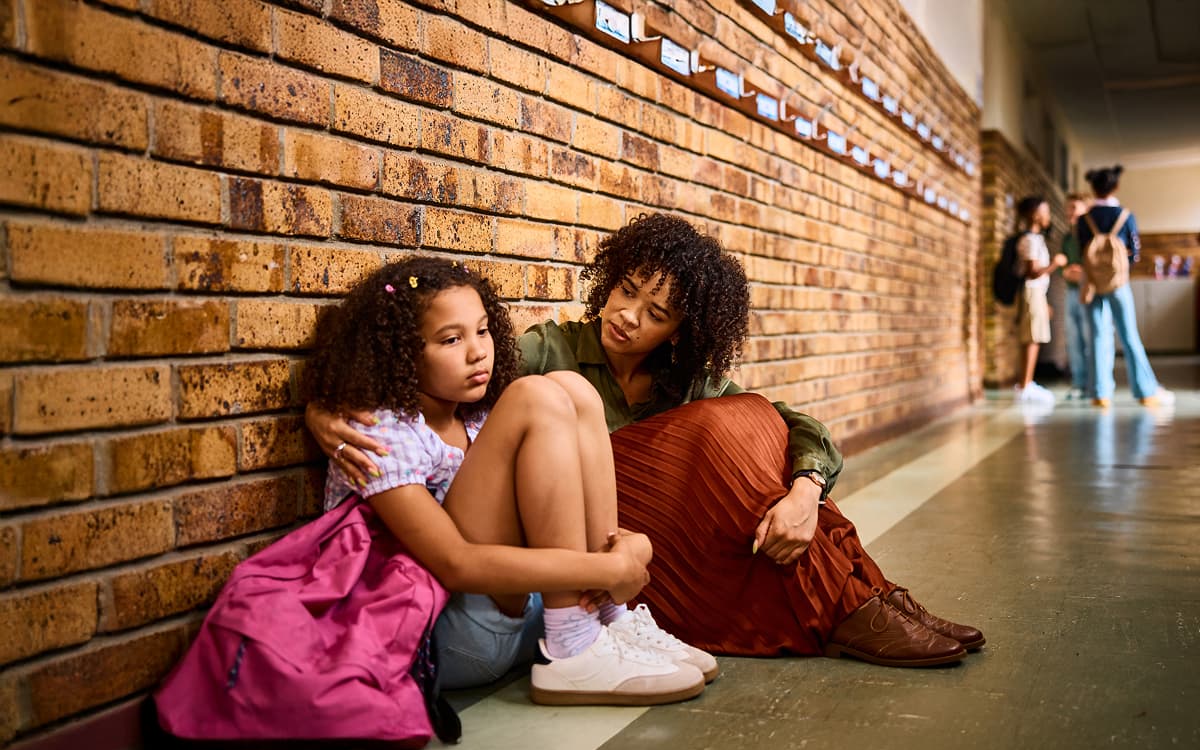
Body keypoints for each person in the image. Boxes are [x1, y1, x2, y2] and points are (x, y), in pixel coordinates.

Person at [311, 215, 983, 668]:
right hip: (574, 540)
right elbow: (415, 378)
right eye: (625, 292)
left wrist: (805, 492)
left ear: (680, 334)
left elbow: (792, 426)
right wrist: (326, 409)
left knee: (753, 429)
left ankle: (866, 593)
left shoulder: (686, 381)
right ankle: (845, 607)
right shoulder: (547, 354)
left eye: (656, 314)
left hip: (614, 545)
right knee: (719, 428)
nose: (628, 317)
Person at [303, 256, 712, 706]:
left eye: (482, 331)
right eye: (451, 339)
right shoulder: (378, 434)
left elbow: (550, 512)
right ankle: (575, 652)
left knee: (572, 389)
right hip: (443, 634)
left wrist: (633, 546)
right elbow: (455, 563)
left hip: (527, 620)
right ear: (399, 352)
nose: (478, 351)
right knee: (534, 394)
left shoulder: (476, 418)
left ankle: (607, 622)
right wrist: (608, 569)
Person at [1077, 166, 1175, 408]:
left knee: (1098, 336)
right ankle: (1145, 391)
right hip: (1118, 283)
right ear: (1116, 187)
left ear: (1093, 188)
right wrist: (1121, 267)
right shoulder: (1125, 215)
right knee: (1130, 335)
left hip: (1092, 282)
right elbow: (1135, 252)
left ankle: (1100, 393)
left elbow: (1081, 250)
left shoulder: (1083, 220)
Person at [1012, 196, 1056, 404]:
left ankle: (1027, 383)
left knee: (1034, 336)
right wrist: (1055, 264)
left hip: (1037, 293)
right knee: (1032, 337)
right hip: (1031, 292)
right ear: (1036, 214)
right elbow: (1032, 272)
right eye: (1046, 211)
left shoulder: (1036, 239)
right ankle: (1025, 385)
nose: (1049, 216)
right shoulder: (1029, 239)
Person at [1053, 193, 1092, 400]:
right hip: (1071, 293)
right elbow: (1061, 265)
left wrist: (1083, 272)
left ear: (1085, 210)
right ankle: (1078, 383)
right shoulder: (1067, 238)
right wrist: (1065, 272)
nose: (1070, 212)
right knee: (1074, 339)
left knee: (1090, 338)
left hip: (1089, 293)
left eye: (1074, 207)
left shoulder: (1091, 236)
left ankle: (1094, 383)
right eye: (1068, 208)